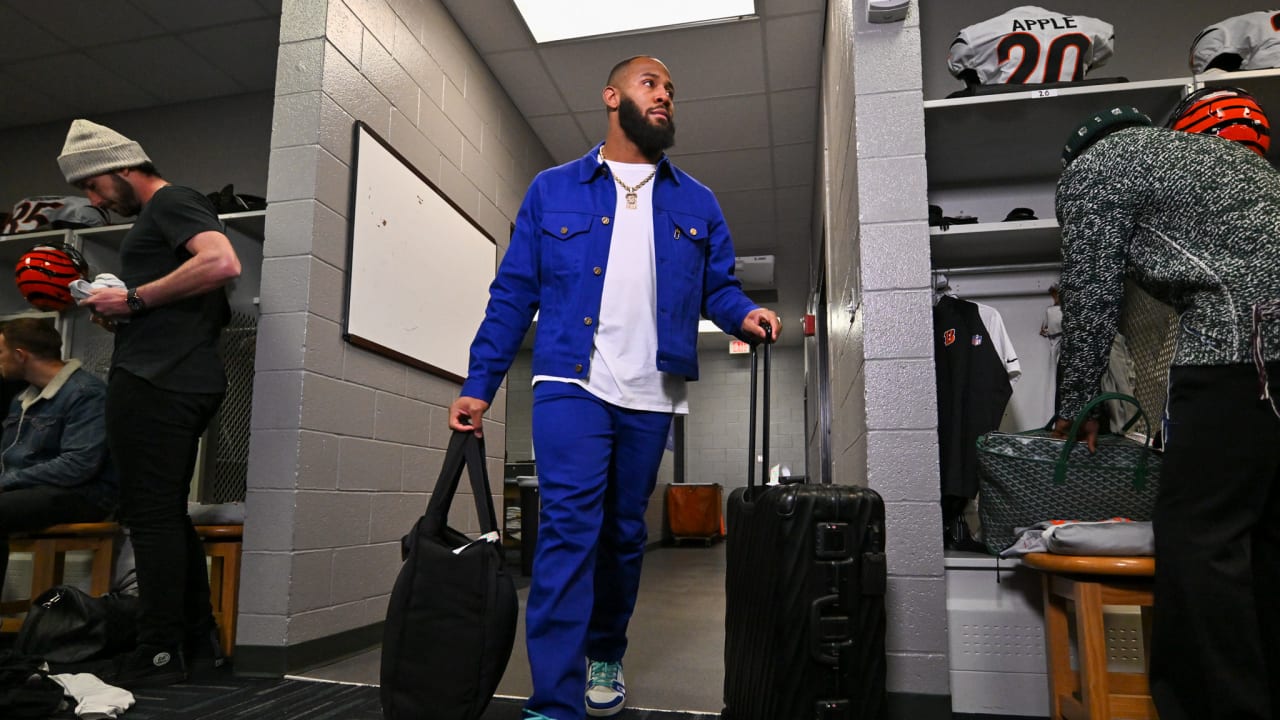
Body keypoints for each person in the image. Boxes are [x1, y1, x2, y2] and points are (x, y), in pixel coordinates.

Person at [448, 56, 780, 720]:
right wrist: (478, 381)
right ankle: (554, 701)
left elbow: (716, 285)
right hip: (571, 379)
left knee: (624, 533)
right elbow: (514, 292)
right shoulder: (553, 189)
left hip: (652, 389)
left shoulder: (697, 201)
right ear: (612, 97)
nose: (664, 97)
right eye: (650, 85)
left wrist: (742, 311)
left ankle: (606, 651)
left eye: (671, 91)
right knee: (569, 529)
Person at [1053, 105, 1280, 720]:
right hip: (1264, 355)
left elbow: (1091, 291)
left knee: (1200, 541)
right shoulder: (1230, 161)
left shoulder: (1094, 169)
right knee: (1265, 540)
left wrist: (1075, 406)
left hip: (1244, 350)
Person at [56, 118, 242, 688]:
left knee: (150, 518)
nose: (92, 201)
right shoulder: (158, 221)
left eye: (93, 187)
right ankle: (194, 643)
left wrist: (132, 299)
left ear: (118, 168)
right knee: (163, 516)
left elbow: (221, 262)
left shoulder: (171, 201)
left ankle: (159, 648)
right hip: (173, 373)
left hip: (160, 381)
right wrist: (119, 309)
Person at [0, 319, 115, 597]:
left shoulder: (85, 394)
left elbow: (78, 466)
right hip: (35, 491)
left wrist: (9, 480)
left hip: (83, 493)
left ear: (20, 355)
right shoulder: (22, 399)